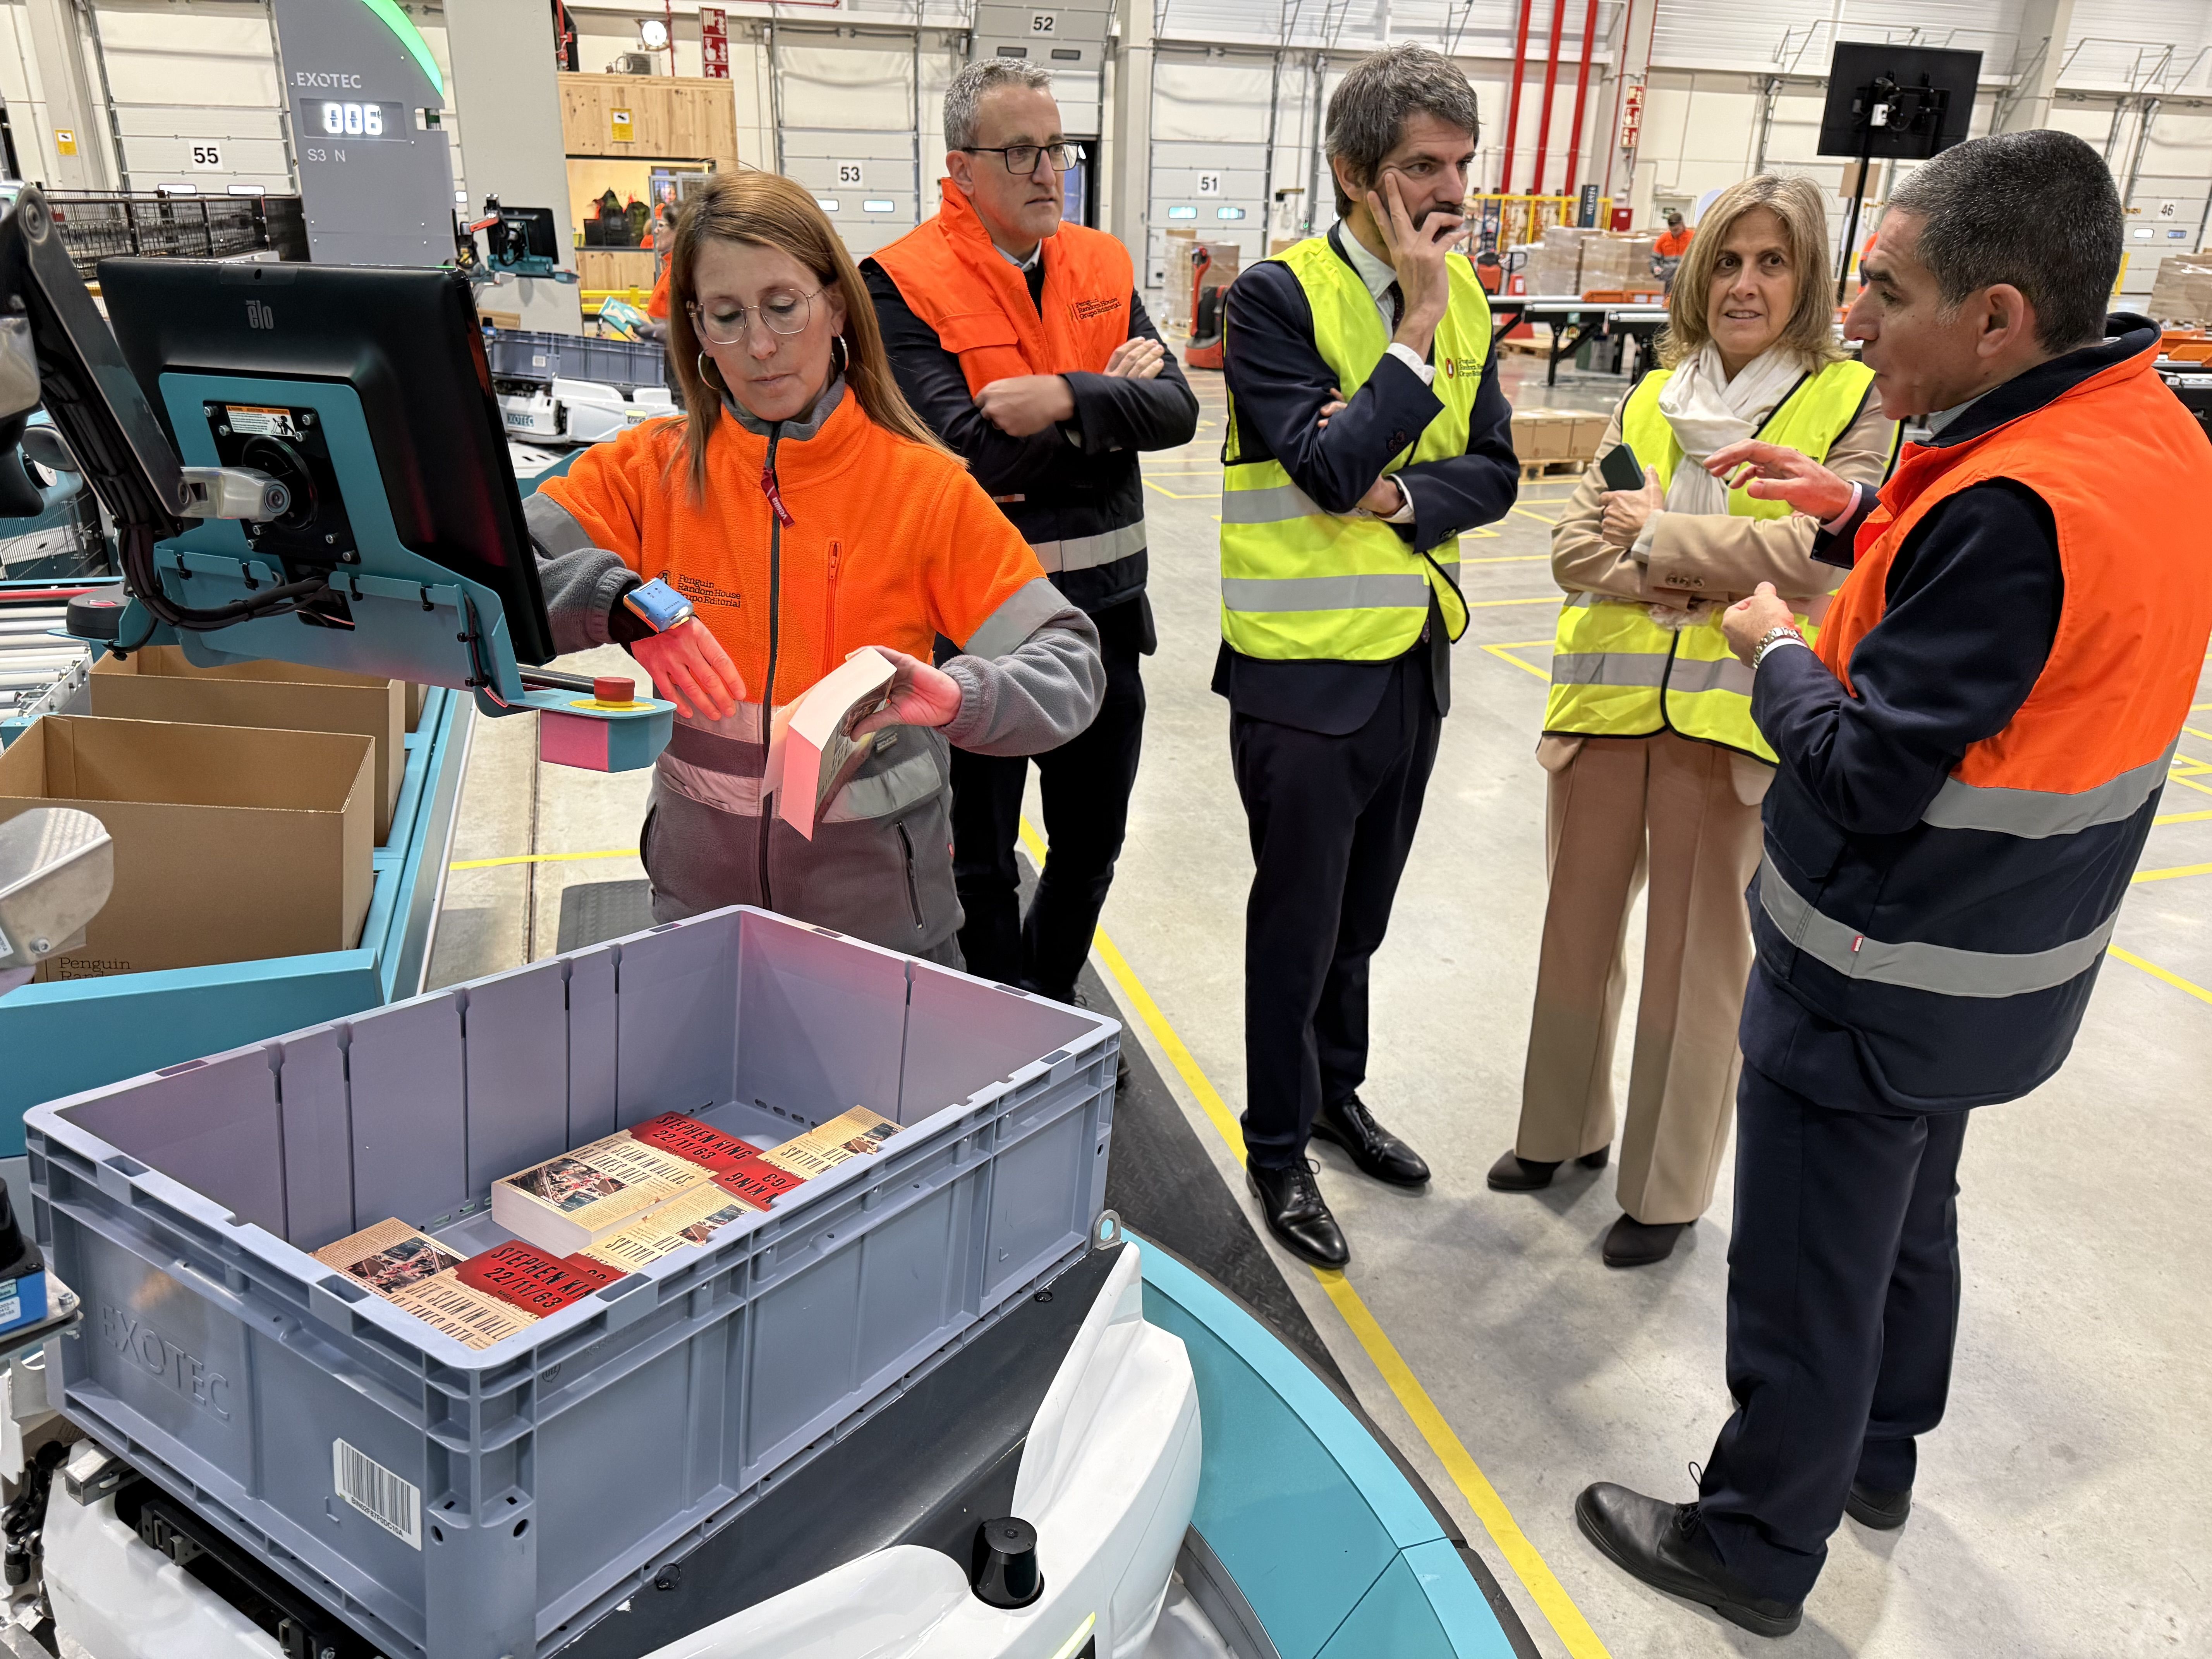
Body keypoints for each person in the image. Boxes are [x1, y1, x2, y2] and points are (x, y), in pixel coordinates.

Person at [1576, 130, 2212, 1634]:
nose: (1849, 322)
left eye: (1885, 289)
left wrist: (1772, 647)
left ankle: (1753, 1543)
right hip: (2005, 968)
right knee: (1912, 1223)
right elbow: (2010, 639)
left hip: (1882, 958)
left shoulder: (2007, 507)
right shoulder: (2143, 440)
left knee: (1808, 1261)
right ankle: (1876, 1461)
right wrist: (1862, 519)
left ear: (1998, 316)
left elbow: (1866, 767)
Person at [525, 171, 1105, 961]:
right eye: (726, 317)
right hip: (701, 924)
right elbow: (488, 574)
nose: (759, 345)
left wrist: (960, 697)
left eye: (783, 306)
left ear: (835, 305)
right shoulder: (646, 475)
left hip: (888, 940)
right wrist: (614, 603)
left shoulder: (922, 491)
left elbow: (1070, 667)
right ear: (695, 329)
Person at [1491, 174, 1894, 1268]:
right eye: (1726, 261)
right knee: (1574, 937)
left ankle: (1664, 1193)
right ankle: (1559, 1132)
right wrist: (1691, 564)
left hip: (1736, 720)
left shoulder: (1853, 402)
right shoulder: (1651, 395)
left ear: (1808, 278)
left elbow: (1816, 559)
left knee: (1695, 959)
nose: (1745, 284)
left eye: (1772, 262)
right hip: (1606, 708)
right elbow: (1572, 548)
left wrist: (1659, 540)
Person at [1215, 43, 1517, 1267]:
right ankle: (1276, 1146)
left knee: (1362, 922)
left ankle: (1336, 1097)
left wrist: (1399, 500)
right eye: (1418, 169)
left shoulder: (1475, 301)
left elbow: (1493, 472)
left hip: (1408, 662)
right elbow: (1324, 466)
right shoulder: (1275, 299)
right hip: (1297, 676)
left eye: (1458, 166)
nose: (1446, 193)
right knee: (1294, 929)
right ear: (1351, 173)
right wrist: (1417, 325)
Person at [864, 60, 1197, 1008]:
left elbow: (1175, 411)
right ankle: (996, 1016)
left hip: (1107, 624)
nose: (1048, 170)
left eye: (1055, 148)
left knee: (1092, 845)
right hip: (975, 635)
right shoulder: (900, 284)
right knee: (978, 858)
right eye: (1020, 152)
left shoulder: (1102, 262)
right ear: (961, 169)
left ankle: (1048, 1002)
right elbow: (969, 455)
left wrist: (1063, 396)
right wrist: (1111, 409)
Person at [1652, 209, 1693, 292]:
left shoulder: (1694, 237)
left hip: (1688, 279)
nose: (1674, 233)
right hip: (1668, 280)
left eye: (1677, 230)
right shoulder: (1664, 239)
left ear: (1682, 225)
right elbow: (1654, 259)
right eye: (1672, 231)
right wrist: (1656, 269)